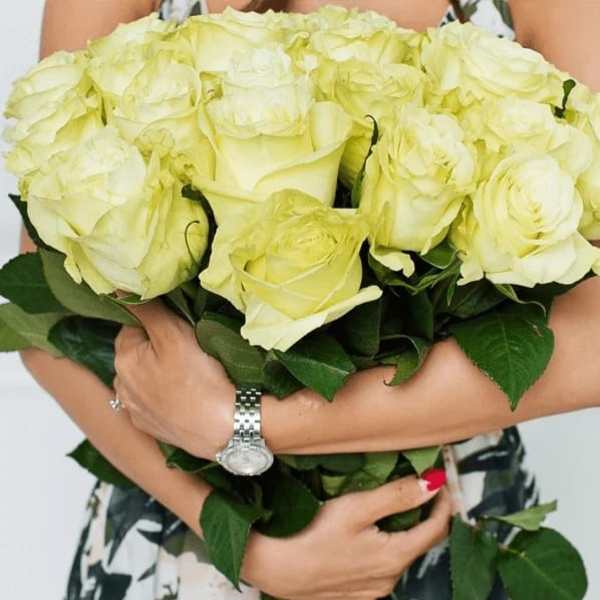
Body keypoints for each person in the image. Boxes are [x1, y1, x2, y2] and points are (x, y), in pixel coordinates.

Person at [22, 0, 599, 599]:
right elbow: (45, 309)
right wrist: (243, 543)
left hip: (445, 524)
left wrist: (240, 423)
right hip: (182, 534)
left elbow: (594, 345)